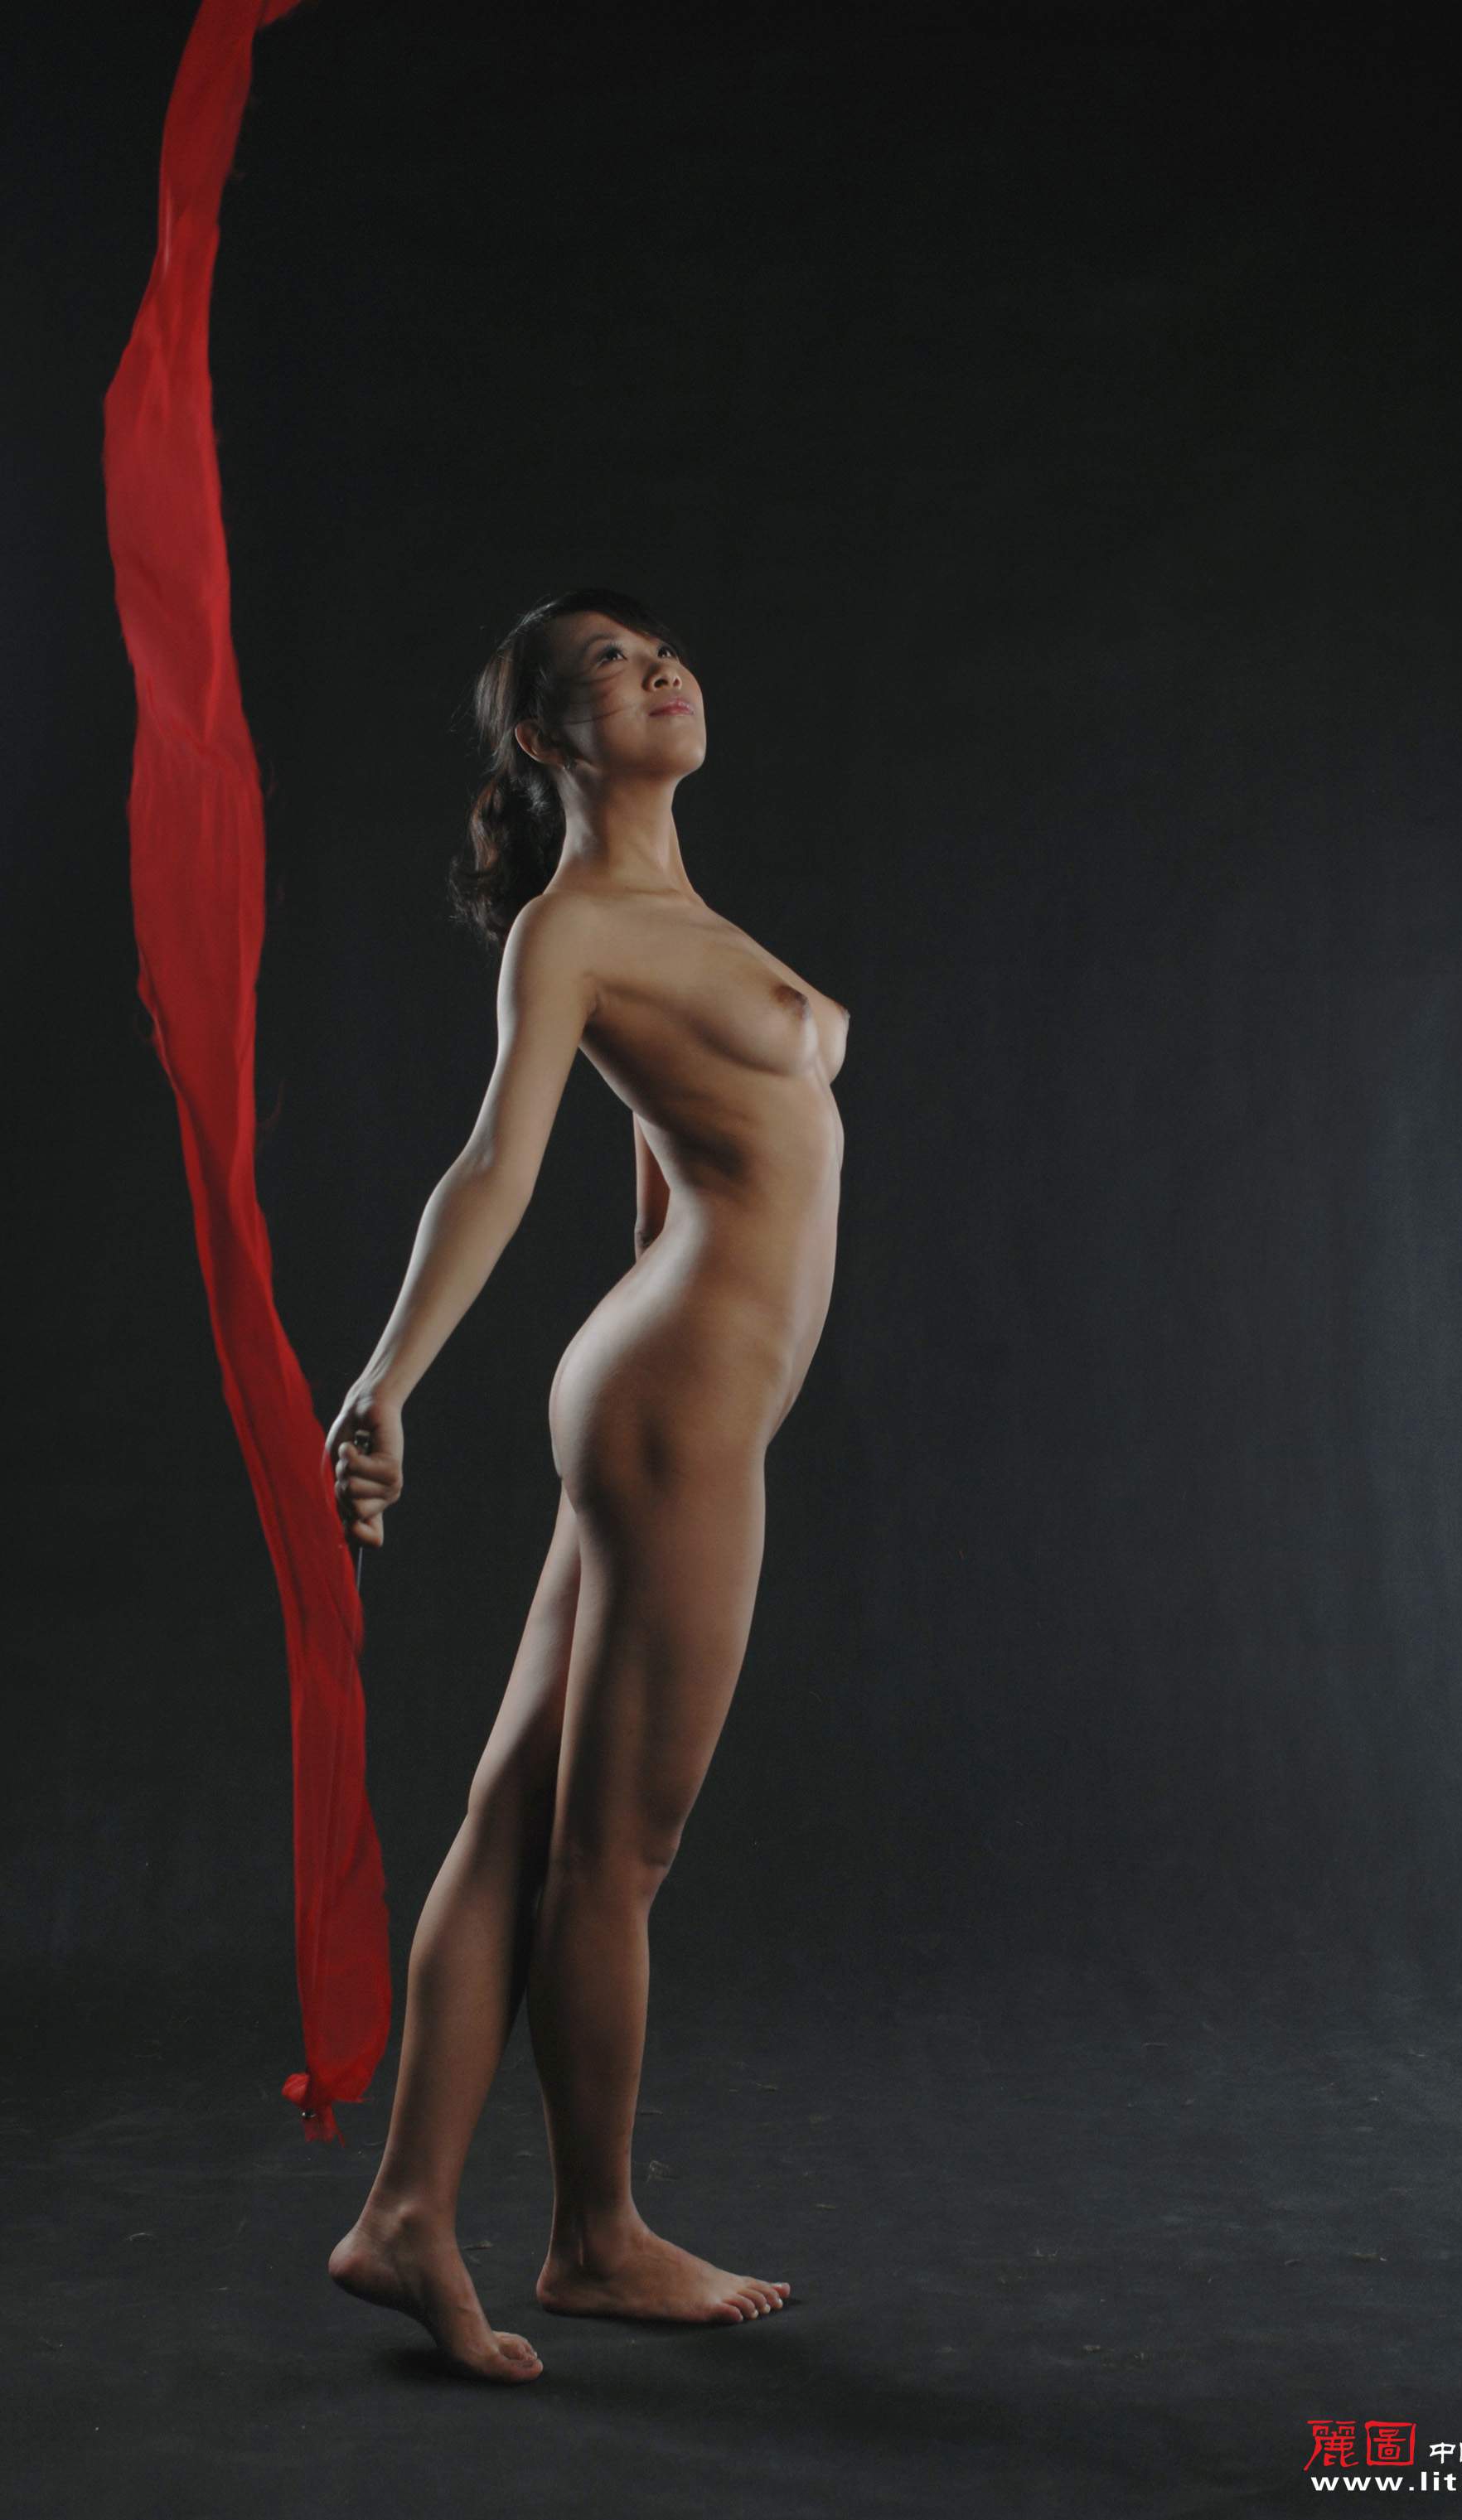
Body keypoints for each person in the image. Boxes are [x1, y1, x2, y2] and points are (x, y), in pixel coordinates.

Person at [321, 588, 848, 2382]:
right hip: (674, 1399)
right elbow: (493, 1160)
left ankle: (405, 2212)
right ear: (549, 740)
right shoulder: (571, 927)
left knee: (515, 1815)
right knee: (617, 1851)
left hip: (660, 1379)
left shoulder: (680, 919)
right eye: (611, 666)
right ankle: (597, 2237)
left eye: (660, 648)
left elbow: (668, 1161)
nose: (660, 668)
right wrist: (387, 1379)